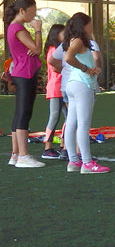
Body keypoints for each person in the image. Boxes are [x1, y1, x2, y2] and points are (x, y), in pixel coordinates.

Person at [63, 13, 109, 174]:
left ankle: (74, 161)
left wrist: (91, 68)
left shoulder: (76, 40)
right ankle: (87, 163)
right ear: (84, 26)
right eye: (90, 24)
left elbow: (77, 58)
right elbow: (69, 58)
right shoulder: (79, 40)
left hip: (74, 85)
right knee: (82, 125)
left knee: (72, 123)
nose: (92, 27)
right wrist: (85, 69)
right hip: (82, 85)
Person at [5, 0, 45, 167]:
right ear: (22, 11)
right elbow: (37, 49)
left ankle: (15, 154)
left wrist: (33, 49)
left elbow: (33, 50)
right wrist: (38, 30)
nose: (34, 17)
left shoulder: (15, 28)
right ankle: (23, 155)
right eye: (32, 12)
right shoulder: (18, 28)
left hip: (23, 72)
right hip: (25, 73)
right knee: (24, 113)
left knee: (21, 112)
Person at [42, 24, 65, 159]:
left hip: (61, 87)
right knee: (54, 117)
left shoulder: (60, 49)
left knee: (68, 117)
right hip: (56, 87)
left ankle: (63, 145)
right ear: (56, 35)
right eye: (63, 34)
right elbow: (55, 67)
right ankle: (47, 148)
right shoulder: (53, 49)